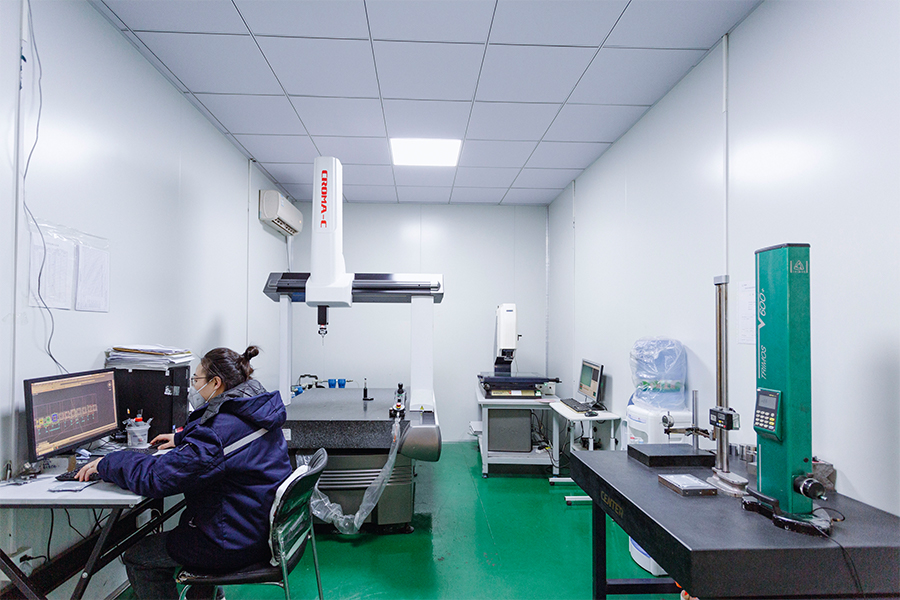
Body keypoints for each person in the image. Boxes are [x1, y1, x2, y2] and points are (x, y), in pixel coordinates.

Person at [77, 346, 292, 600]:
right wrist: (183, 439)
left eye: (196, 380)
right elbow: (226, 443)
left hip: (232, 542)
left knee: (138, 557)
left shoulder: (216, 435)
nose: (193, 387)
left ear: (216, 383)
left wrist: (109, 462)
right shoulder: (256, 411)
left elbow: (157, 478)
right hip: (257, 528)